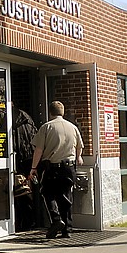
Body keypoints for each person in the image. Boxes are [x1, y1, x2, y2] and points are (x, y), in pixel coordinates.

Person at [28, 101, 84, 238]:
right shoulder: (72, 127)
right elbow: (80, 146)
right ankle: (67, 229)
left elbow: (39, 150)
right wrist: (78, 157)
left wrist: (33, 168)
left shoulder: (46, 127)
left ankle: (56, 220)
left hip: (52, 167)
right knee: (66, 197)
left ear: (50, 112)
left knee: (47, 193)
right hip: (69, 167)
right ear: (63, 112)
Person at [12, 104, 37, 231]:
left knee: (19, 191)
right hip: (29, 158)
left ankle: (21, 222)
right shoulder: (27, 118)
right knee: (26, 190)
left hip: (16, 159)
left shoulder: (7, 118)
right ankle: (30, 221)